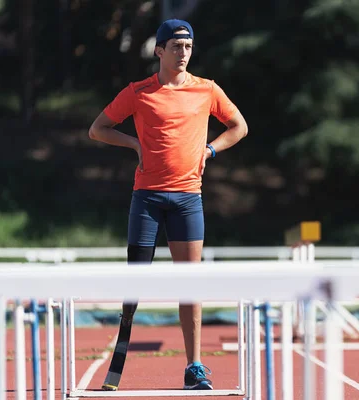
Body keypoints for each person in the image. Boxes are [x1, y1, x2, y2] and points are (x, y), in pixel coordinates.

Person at [88, 19, 248, 390]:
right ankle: (117, 362)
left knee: (189, 284)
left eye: (188, 47)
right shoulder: (139, 91)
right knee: (135, 282)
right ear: (159, 50)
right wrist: (134, 144)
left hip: (188, 199)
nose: (183, 53)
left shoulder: (207, 90)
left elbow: (238, 126)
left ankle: (194, 368)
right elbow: (98, 129)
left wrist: (210, 149)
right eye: (176, 47)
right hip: (147, 198)